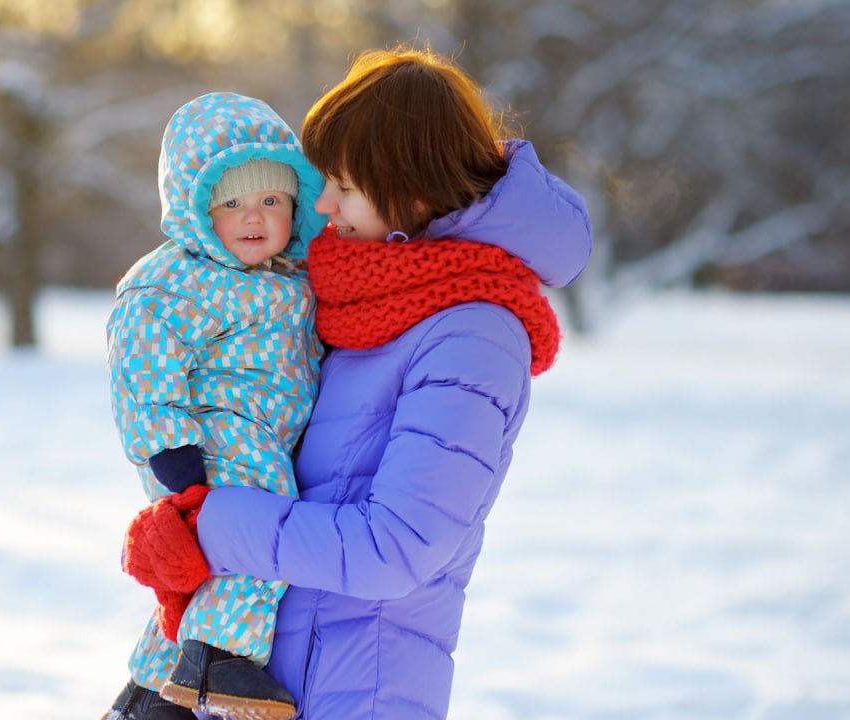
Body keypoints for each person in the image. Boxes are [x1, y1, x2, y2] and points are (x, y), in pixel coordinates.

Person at [123, 46, 593, 719]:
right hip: (271, 676)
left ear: (413, 189)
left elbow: (394, 546)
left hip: (356, 690)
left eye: (345, 182)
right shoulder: (362, 306)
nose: (323, 201)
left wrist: (211, 524)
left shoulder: (473, 336)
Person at [103, 92, 327, 720]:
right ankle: (215, 661)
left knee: (201, 573)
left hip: (263, 438)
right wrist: (172, 454)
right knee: (261, 531)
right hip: (212, 441)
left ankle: (150, 696)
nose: (253, 217)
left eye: (271, 200)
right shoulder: (174, 279)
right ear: (197, 209)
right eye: (232, 202)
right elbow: (141, 368)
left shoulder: (293, 278)